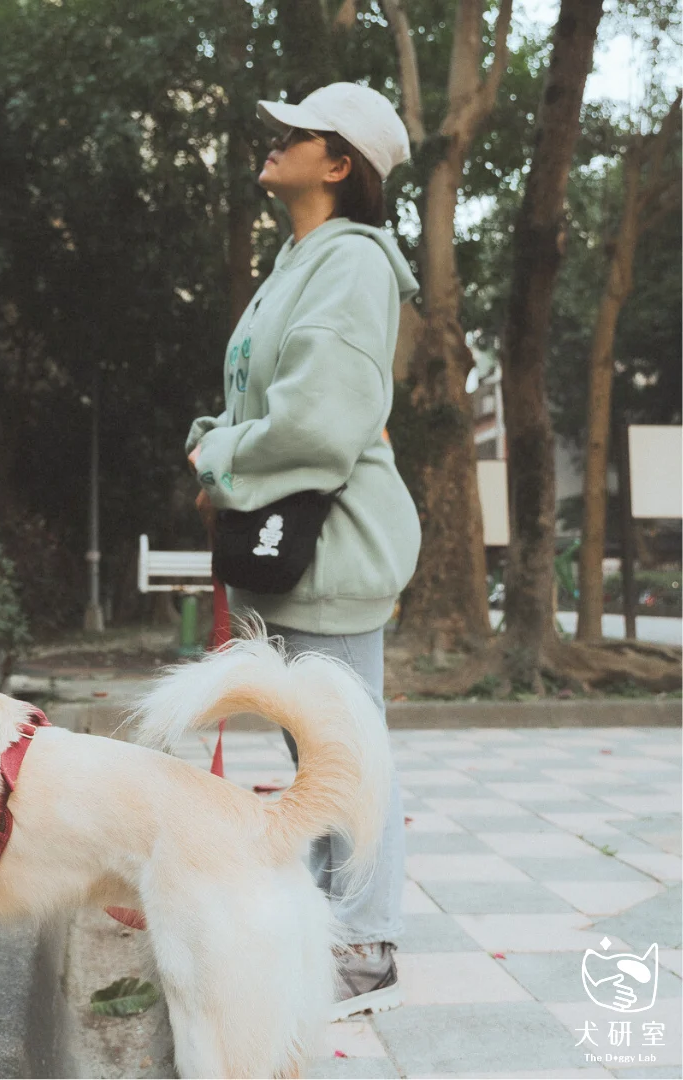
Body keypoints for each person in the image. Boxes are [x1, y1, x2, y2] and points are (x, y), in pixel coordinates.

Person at [185, 82, 421, 1021]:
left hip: (332, 548)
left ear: (340, 164)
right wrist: (213, 441)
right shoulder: (298, 261)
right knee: (319, 747)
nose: (276, 137)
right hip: (290, 550)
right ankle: (330, 929)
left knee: (346, 751)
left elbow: (318, 424)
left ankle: (365, 948)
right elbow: (257, 403)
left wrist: (219, 458)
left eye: (299, 130)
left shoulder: (351, 263)